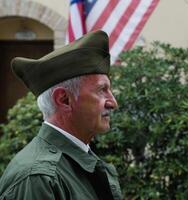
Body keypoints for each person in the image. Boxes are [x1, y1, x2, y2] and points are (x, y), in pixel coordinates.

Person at [0, 30, 122, 200]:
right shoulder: (38, 178)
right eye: (102, 90)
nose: (113, 102)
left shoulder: (70, 163)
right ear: (64, 100)